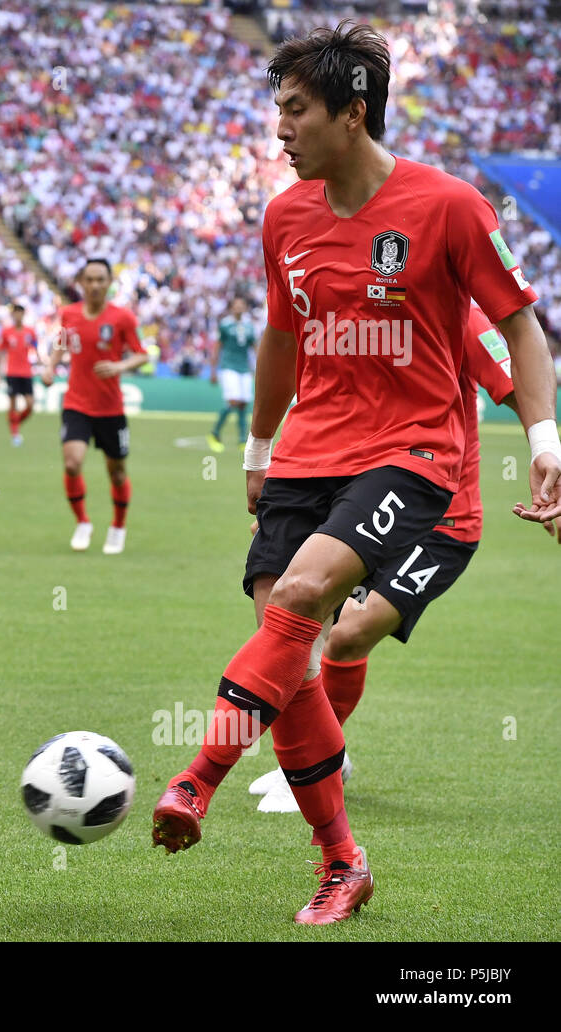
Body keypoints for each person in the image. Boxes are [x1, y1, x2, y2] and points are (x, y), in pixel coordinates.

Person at [150, 22, 559, 925]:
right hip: (306, 454)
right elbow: (281, 339)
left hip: (413, 457)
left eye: (296, 111)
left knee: (307, 605)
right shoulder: (283, 216)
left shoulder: (449, 206)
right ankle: (343, 862)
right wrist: (259, 451)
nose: (280, 130)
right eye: (278, 111)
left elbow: (520, 328)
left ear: (353, 112)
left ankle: (197, 779)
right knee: (288, 660)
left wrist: (544, 444)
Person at [250, 303, 548, 811]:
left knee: (346, 632)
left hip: (442, 521)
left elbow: (519, 383)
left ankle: (312, 765)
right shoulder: (355, 305)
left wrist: (551, 461)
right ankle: (322, 757)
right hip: (364, 502)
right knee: (307, 625)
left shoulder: (455, 312)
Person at [41, 259, 148, 554]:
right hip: (76, 403)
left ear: (109, 282)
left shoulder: (122, 318)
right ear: (81, 282)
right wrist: (50, 367)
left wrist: (118, 366)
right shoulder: (69, 314)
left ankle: (118, 526)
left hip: (110, 408)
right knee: (72, 463)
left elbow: (142, 355)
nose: (95, 285)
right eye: (90, 279)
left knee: (116, 472)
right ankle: (83, 522)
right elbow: (61, 343)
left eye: (101, 279)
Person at [208, 295, 258, 453]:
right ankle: (214, 433)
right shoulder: (225, 325)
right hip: (229, 367)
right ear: (231, 308)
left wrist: (258, 367)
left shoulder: (250, 326)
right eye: (236, 305)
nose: (238, 308)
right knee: (233, 401)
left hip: (245, 368)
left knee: (243, 404)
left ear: (244, 307)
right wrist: (213, 370)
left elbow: (255, 348)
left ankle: (242, 440)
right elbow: (218, 347)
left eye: (241, 305)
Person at [0, 302, 38, 445]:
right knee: (13, 404)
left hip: (26, 372)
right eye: (15, 312)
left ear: (23, 314)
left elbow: (36, 348)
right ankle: (15, 434)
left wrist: (41, 363)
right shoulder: (6, 332)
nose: (18, 315)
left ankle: (14, 423)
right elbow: (0, 350)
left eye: (20, 312)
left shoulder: (30, 332)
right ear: (12, 315)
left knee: (30, 405)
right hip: (12, 372)